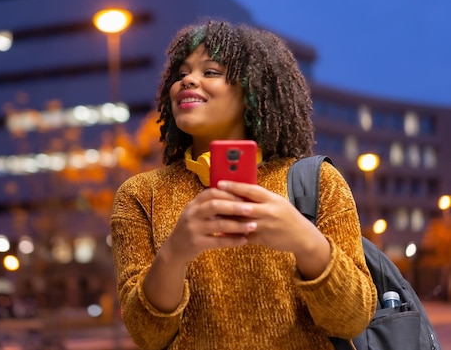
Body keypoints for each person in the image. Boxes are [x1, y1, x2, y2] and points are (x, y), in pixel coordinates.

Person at [109, 19, 377, 349]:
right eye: (181, 74)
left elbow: (352, 319)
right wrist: (174, 254)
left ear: (252, 88)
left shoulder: (318, 182)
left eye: (210, 71)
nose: (188, 80)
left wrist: (306, 241)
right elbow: (147, 335)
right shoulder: (140, 195)